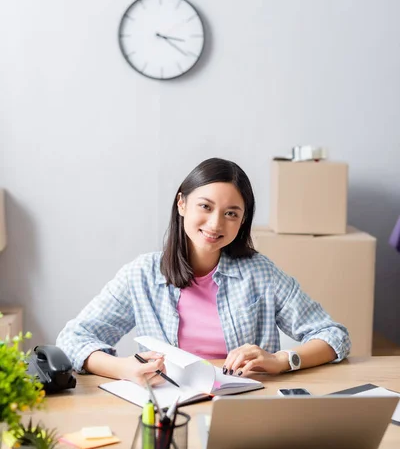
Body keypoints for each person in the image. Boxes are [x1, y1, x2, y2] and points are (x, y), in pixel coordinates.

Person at [56, 157, 351, 386]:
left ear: (242, 221)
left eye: (231, 213)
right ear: (182, 203)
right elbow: (73, 339)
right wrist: (123, 368)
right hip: (167, 409)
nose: (215, 224)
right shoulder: (142, 274)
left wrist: (281, 360)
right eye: (205, 206)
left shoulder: (261, 273)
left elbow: (334, 336)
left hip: (245, 406)